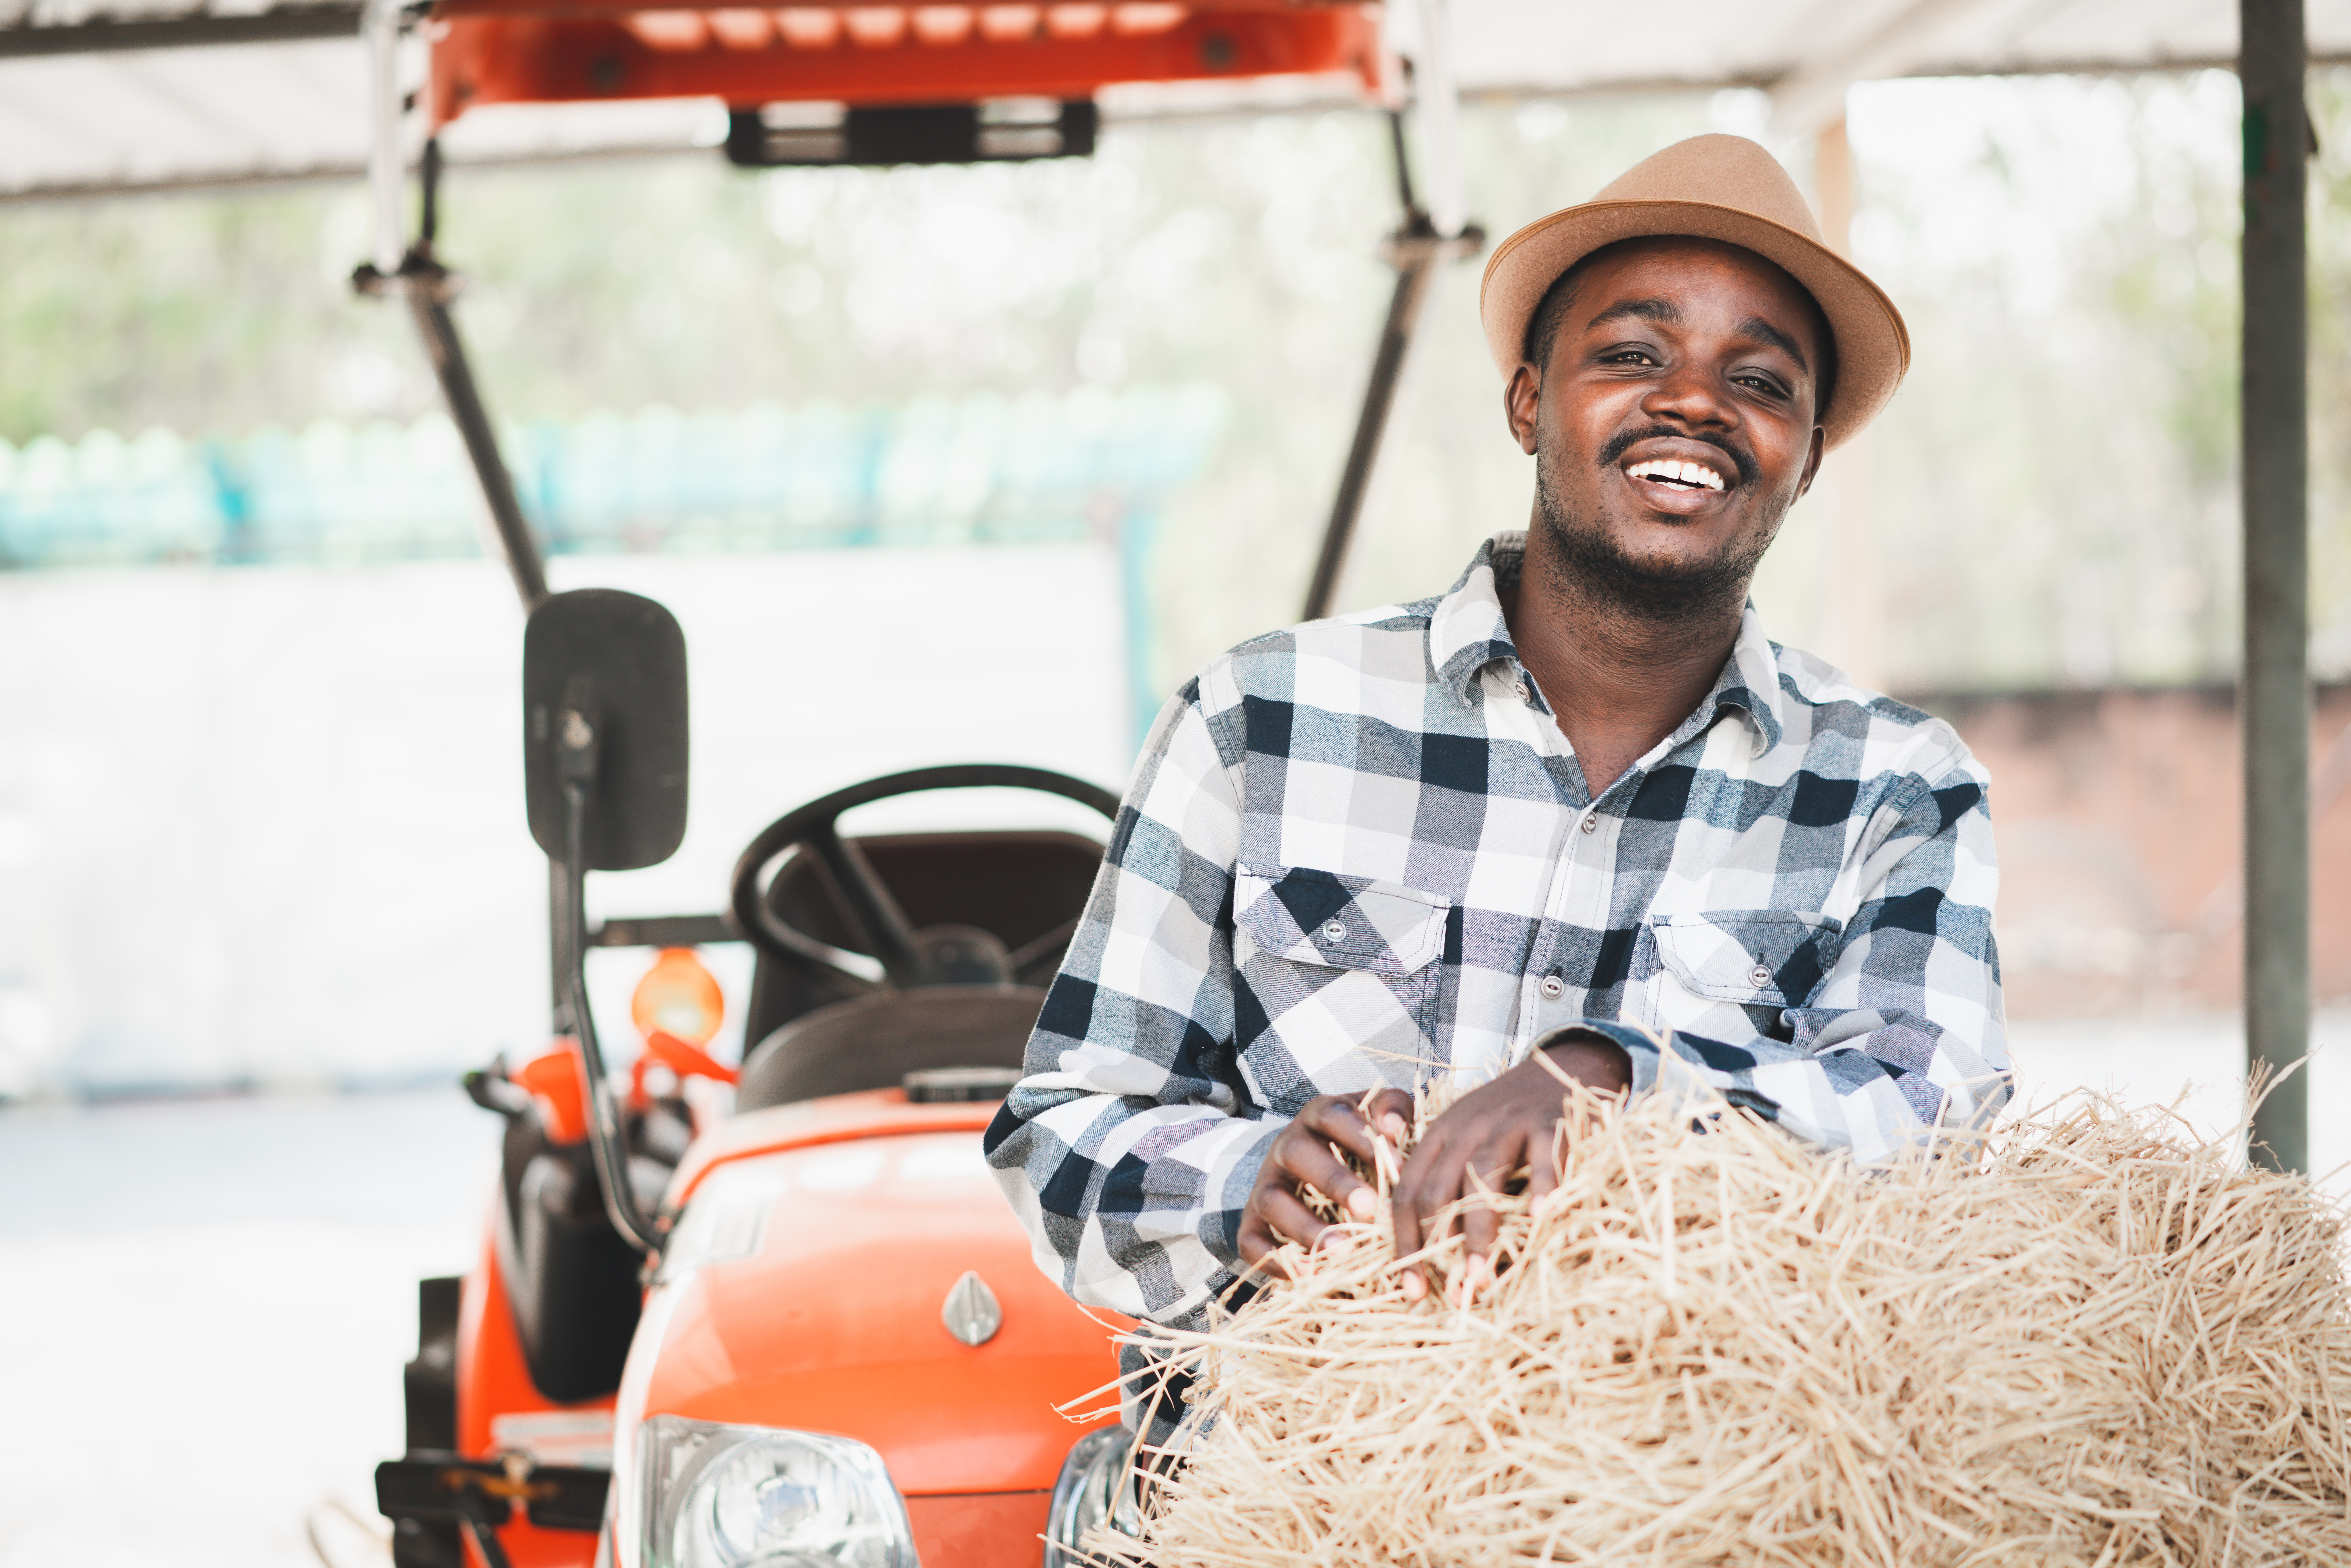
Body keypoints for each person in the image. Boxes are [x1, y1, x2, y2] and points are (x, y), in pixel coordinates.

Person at [986, 134, 2007, 1432]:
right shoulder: (1259, 721)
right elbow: (1061, 1131)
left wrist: (1622, 1078)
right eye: (1632, 353)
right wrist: (1242, 1181)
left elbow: (1934, 1137)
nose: (1692, 401)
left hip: (1689, 1506)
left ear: (1804, 458)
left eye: (1757, 380)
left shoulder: (1895, 793)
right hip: (1281, 1505)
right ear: (1528, 403)